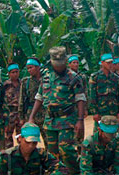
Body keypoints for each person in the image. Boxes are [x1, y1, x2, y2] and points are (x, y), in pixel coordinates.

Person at [28, 46, 86, 174]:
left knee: (66, 150)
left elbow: (80, 98)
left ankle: (76, 172)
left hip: (67, 120)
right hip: (50, 121)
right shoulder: (46, 77)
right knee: (52, 153)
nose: (59, 67)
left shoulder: (74, 77)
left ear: (65, 61)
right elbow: (39, 97)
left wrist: (80, 120)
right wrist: (31, 117)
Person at [0, 122, 68, 174]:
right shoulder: (8, 156)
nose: (31, 146)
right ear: (20, 138)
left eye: (34, 143)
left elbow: (61, 169)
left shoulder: (41, 154)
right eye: (27, 142)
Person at [89, 53, 119, 132]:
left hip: (114, 111)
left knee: (115, 133)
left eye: (111, 62)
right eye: (108, 63)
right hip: (101, 111)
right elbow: (92, 96)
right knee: (99, 134)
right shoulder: (95, 77)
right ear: (102, 63)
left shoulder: (116, 78)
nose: (110, 64)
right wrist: (94, 112)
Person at [18, 58, 47, 150]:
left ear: (38, 67)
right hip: (31, 115)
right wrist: (22, 118)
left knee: (48, 141)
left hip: (45, 114)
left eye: (31, 67)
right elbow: (22, 100)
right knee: (30, 141)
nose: (29, 70)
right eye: (28, 68)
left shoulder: (46, 79)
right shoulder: (26, 82)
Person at [68, 55, 88, 154]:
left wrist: (85, 108)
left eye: (77, 62)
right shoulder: (67, 76)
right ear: (69, 64)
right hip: (70, 108)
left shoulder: (82, 77)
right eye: (73, 63)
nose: (75, 64)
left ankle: (80, 151)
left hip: (79, 107)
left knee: (80, 130)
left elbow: (85, 93)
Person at [4, 63, 21, 148]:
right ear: (9, 73)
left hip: (21, 114)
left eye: (16, 72)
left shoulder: (23, 83)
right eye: (13, 72)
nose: (15, 74)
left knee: (21, 136)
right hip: (10, 114)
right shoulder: (5, 85)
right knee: (8, 137)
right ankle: (9, 156)